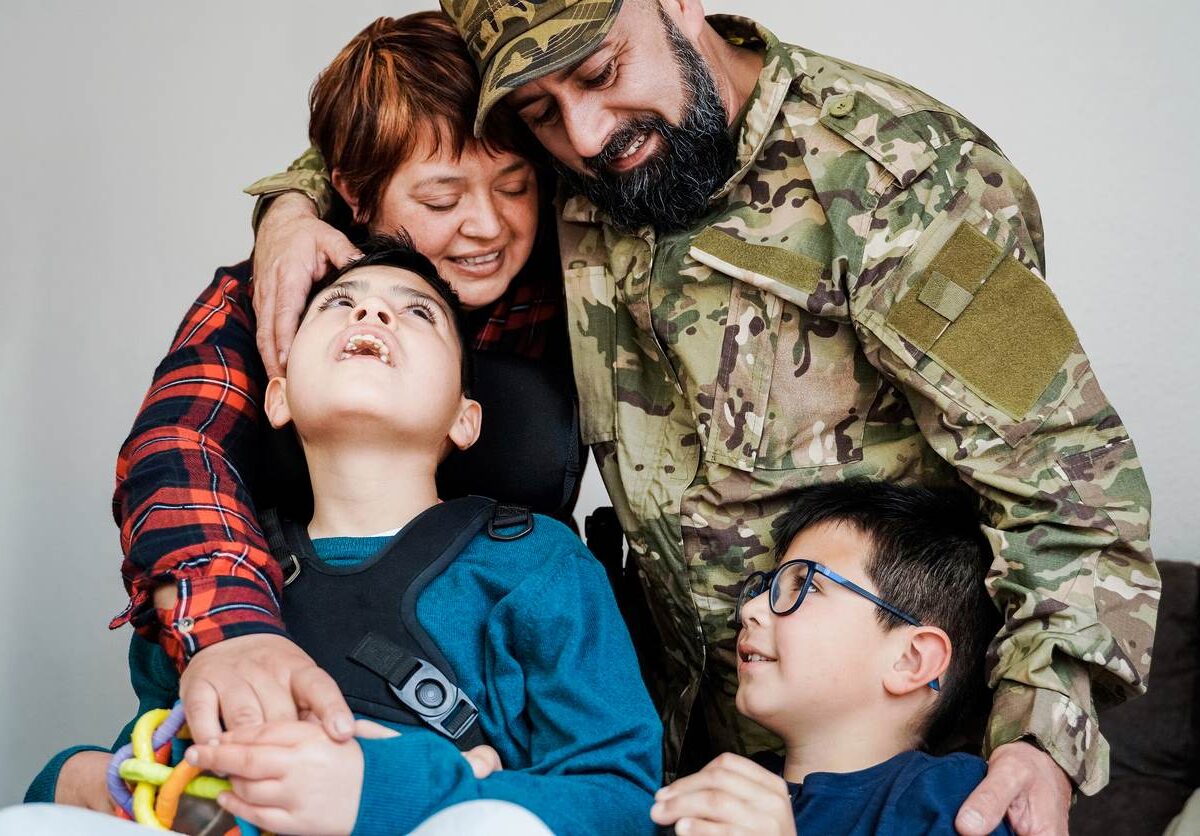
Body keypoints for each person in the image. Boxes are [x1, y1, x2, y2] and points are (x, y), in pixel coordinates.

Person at [234, 2, 1159, 833]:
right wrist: (291, 198)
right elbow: (402, 140)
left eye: (600, 73)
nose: (588, 136)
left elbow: (1067, 477)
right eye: (543, 112)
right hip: (682, 763)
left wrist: (1042, 732)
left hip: (889, 777)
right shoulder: (569, 151)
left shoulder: (906, 179)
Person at [26, 233, 662, 836]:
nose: (374, 314)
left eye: (418, 313)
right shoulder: (220, 591)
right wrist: (76, 779)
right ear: (278, 396)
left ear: (465, 418)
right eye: (340, 304)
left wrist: (395, 788)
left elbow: (622, 799)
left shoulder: (538, 565)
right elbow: (143, 756)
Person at [106, 11, 577, 763]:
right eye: (441, 200)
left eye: (515, 187)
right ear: (353, 197)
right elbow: (177, 449)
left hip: (493, 680)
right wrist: (238, 635)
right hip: (288, 620)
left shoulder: (568, 272)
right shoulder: (281, 298)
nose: (487, 225)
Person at [650, 480, 1013, 835]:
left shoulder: (955, 804)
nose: (751, 610)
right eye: (765, 588)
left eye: (804, 585)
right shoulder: (720, 792)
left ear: (912, 659)